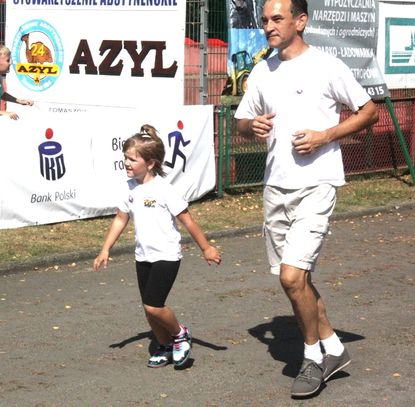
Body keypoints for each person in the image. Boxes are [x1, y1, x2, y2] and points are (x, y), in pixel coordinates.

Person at [234, 0, 379, 398]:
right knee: (298, 281)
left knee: (292, 276)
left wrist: (324, 135)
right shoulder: (264, 69)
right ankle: (333, 347)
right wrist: (253, 126)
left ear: (301, 21)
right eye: (264, 20)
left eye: (277, 19)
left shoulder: (327, 66)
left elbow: (369, 112)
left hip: (317, 184)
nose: (268, 26)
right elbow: (242, 121)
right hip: (275, 186)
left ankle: (312, 358)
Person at [93, 124, 221, 369]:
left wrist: (206, 248)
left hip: (167, 255)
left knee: (154, 305)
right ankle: (163, 346)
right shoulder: (128, 188)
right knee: (148, 309)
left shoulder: (164, 190)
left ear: (150, 163)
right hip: (143, 256)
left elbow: (187, 221)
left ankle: (180, 333)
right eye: (125, 158)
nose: (126, 163)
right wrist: (105, 249)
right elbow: (121, 218)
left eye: (132, 159)